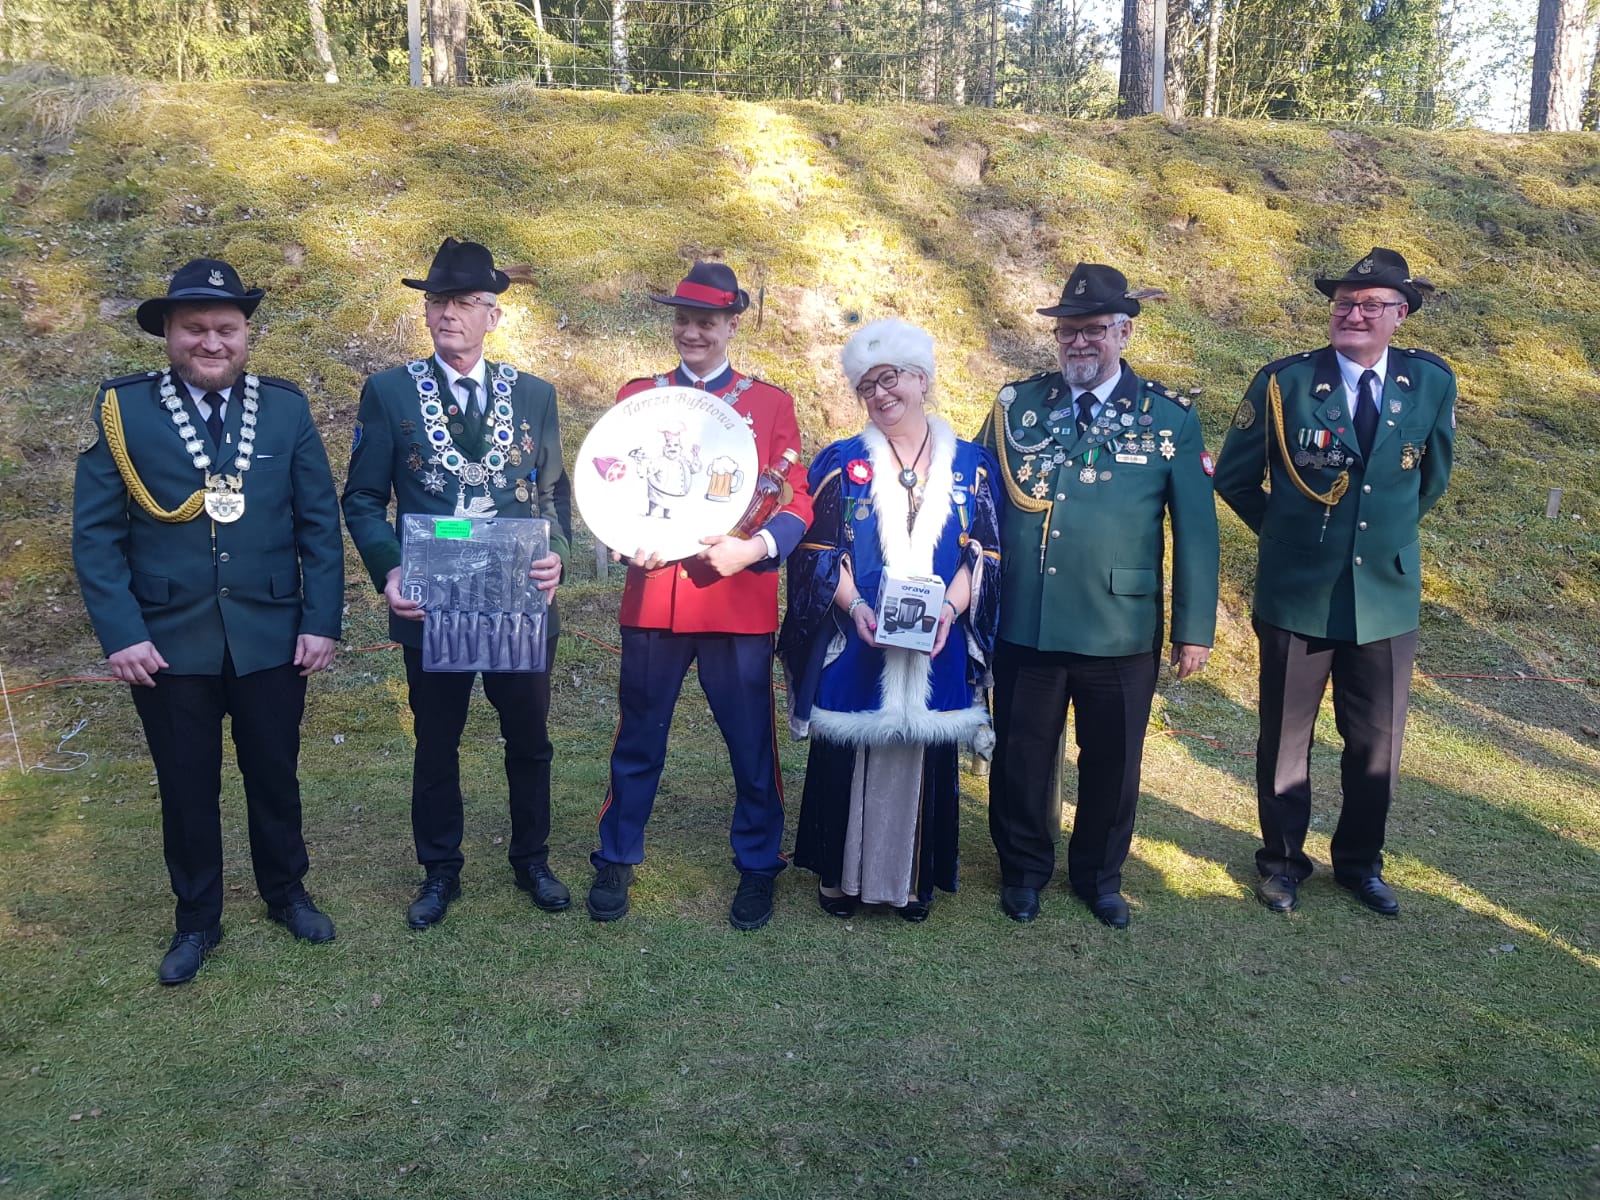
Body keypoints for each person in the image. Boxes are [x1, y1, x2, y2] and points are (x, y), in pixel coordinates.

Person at [72, 258, 344, 985]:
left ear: (245, 332)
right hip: (167, 640)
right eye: (196, 328)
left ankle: (286, 893)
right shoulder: (123, 410)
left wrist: (322, 620)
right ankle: (196, 918)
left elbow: (319, 524)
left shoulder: (284, 408)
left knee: (274, 774)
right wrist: (122, 632)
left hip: (271, 633)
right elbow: (96, 536)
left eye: (227, 328)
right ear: (168, 332)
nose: (212, 342)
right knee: (187, 784)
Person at [1214, 248, 1454, 917]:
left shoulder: (1430, 382)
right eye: (1344, 303)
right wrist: (1291, 537)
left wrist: (1374, 541)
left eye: (1371, 305)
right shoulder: (1285, 383)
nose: (1354, 314)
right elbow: (1235, 477)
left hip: (1384, 597)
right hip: (1298, 594)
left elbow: (1429, 479)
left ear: (1400, 315)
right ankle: (1282, 862)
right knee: (1286, 739)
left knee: (1376, 744)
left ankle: (1360, 864)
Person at [978, 263, 1219, 928]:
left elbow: (1196, 531)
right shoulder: (1018, 405)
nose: (1079, 343)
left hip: (1119, 624)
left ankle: (1099, 876)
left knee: (1113, 763)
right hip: (1028, 616)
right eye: (1068, 332)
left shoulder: (1168, 418)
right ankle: (1023, 869)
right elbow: (978, 497)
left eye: (1093, 331)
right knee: (1022, 755)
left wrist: (1193, 630)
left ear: (1124, 333)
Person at [342, 238, 573, 930]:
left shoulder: (534, 395)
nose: (449, 313)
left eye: (466, 302)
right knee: (437, 743)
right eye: (438, 301)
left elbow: (554, 495)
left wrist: (559, 555)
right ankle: (440, 868)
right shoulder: (388, 392)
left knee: (528, 739)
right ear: (425, 312)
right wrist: (390, 569)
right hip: (432, 604)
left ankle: (531, 858)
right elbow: (362, 499)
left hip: (519, 603)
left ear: (492, 316)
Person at [588, 260, 813, 930]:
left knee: (751, 745)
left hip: (736, 600)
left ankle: (759, 862)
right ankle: (615, 854)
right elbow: (610, 486)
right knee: (638, 737)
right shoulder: (639, 396)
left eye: (707, 322)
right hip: (656, 595)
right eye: (684, 320)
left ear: (732, 325)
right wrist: (620, 540)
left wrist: (756, 547)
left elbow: (797, 500)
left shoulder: (770, 405)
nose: (693, 332)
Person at [778, 319, 1002, 922]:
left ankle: (910, 880)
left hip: (938, 641)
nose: (880, 394)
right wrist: (855, 607)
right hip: (858, 636)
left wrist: (950, 611)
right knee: (850, 745)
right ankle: (841, 877)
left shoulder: (973, 467)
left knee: (924, 752)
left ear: (921, 379)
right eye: (867, 386)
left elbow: (985, 555)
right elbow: (816, 552)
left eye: (891, 378)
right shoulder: (840, 461)